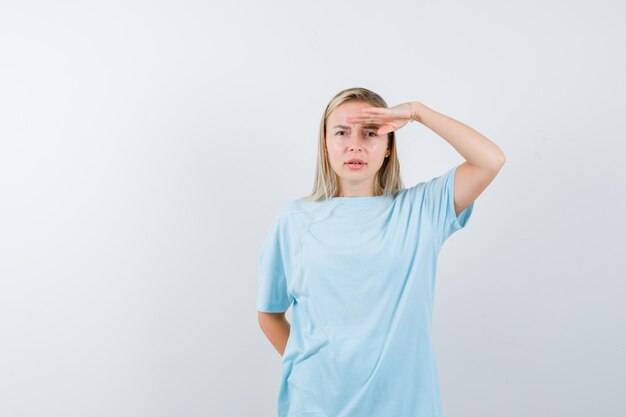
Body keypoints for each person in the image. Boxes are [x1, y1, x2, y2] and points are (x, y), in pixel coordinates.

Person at [256, 87, 506, 417]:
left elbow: (490, 161)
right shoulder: (293, 220)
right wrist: (317, 371)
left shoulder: (422, 210)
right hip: (317, 405)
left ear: (388, 146)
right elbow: (270, 314)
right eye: (342, 132)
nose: (355, 144)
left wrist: (417, 111)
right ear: (325, 144)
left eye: (371, 132)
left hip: (404, 405)